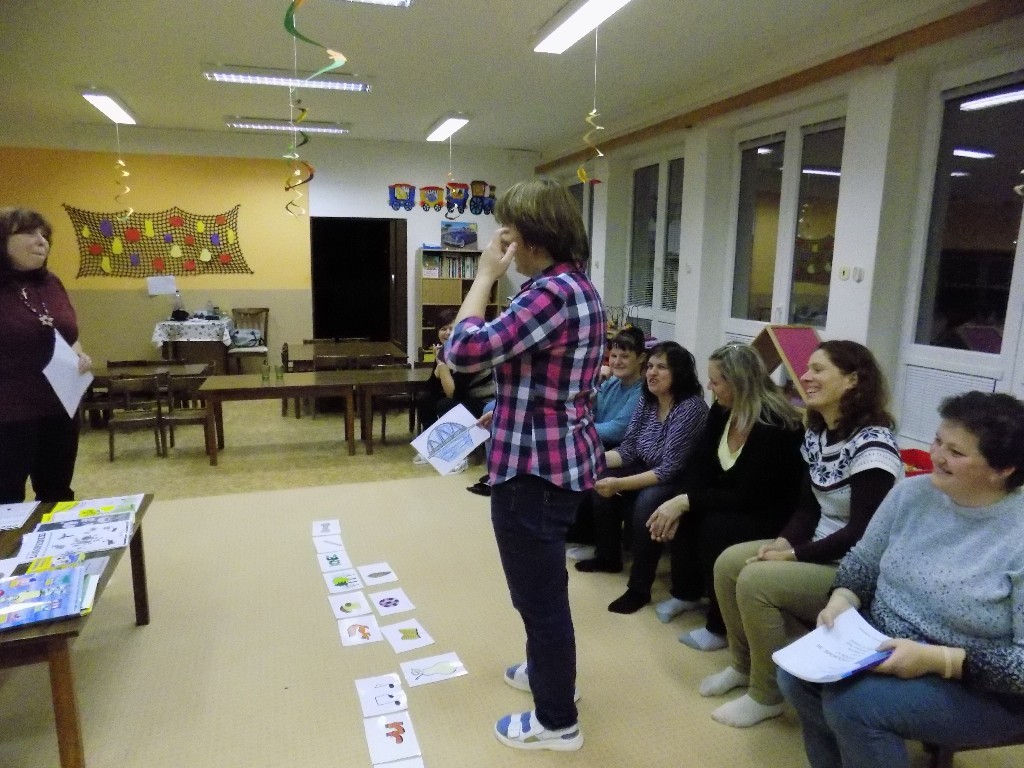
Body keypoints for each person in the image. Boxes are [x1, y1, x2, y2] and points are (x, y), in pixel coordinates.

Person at [779, 390, 1024, 767]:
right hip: (882, 641)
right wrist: (842, 599)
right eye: (937, 441)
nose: (936, 456)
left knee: (854, 706)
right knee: (796, 677)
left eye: (956, 452)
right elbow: (863, 562)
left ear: (1003, 469)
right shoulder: (911, 494)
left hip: (983, 685)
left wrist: (939, 660)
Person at [445, 179, 605, 752]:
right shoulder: (576, 286)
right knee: (545, 590)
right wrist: (506, 407)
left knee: (540, 601)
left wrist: (483, 277)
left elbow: (463, 352)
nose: (502, 242)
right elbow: (551, 378)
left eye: (508, 231)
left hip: (533, 472)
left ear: (533, 237)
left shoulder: (549, 294)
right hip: (557, 453)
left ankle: (557, 722)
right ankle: (550, 675)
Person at [696, 340, 902, 727]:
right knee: (729, 563)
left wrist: (792, 556)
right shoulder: (819, 433)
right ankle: (742, 666)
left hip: (853, 569)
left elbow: (861, 533)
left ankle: (766, 695)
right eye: (807, 368)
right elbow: (808, 509)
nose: (805, 377)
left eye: (818, 370)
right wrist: (782, 543)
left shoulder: (874, 445)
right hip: (816, 548)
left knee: (756, 580)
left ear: (853, 380)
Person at [640, 342, 805, 634]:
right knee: (683, 512)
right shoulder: (722, 410)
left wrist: (689, 501)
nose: (709, 387)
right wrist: (684, 500)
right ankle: (686, 593)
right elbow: (699, 462)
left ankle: (719, 624)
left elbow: (750, 495)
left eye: (715, 382)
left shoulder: (776, 425)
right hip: (729, 498)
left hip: (766, 512)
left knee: (715, 528)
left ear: (738, 383)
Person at [575, 341, 708, 610]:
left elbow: (669, 469)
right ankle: (607, 557)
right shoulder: (648, 400)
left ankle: (639, 588)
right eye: (650, 367)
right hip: (647, 466)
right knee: (601, 475)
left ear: (679, 373)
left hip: (679, 479)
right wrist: (589, 460)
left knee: (646, 503)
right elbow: (628, 449)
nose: (652, 373)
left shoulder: (690, 408)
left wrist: (620, 483)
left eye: (661, 367)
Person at [0, 207, 93, 503]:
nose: (41, 241)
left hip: (58, 407)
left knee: (57, 493)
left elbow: (68, 335)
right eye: (29, 233)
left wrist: (79, 356)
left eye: (44, 235)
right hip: (8, 413)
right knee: (6, 499)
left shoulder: (51, 283)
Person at [565, 326, 647, 547]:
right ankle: (573, 527)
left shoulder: (641, 391)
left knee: (586, 466)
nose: (617, 362)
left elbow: (618, 429)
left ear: (641, 358)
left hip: (625, 452)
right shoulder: (611, 383)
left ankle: (591, 537)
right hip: (600, 443)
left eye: (625, 357)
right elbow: (588, 412)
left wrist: (581, 429)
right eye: (614, 356)